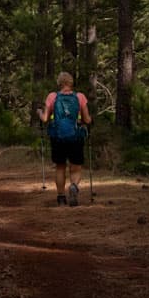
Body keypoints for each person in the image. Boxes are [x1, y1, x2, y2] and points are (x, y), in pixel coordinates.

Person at [38, 71, 92, 206]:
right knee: (76, 167)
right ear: (71, 83)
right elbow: (87, 119)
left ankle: (61, 198)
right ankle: (74, 186)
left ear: (59, 83)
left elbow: (45, 118)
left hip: (58, 137)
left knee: (60, 167)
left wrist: (39, 112)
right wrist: (90, 121)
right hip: (75, 137)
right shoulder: (80, 97)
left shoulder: (52, 96)